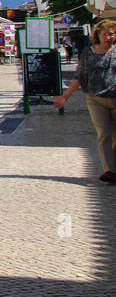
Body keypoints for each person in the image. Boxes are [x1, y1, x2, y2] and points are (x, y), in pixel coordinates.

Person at [55, 20, 116, 184]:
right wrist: (65, 97)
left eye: (112, 34)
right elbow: (79, 76)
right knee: (104, 133)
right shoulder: (89, 53)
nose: (109, 37)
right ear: (98, 35)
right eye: (106, 34)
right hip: (96, 99)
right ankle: (109, 170)